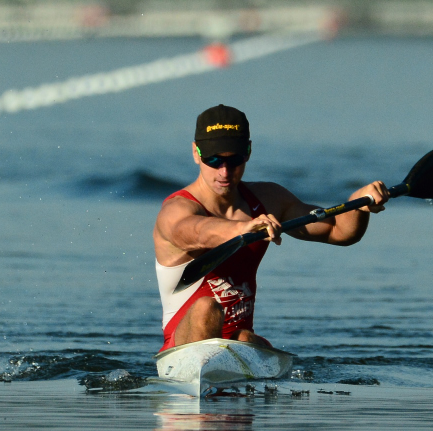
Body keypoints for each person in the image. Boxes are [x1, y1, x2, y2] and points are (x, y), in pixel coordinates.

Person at [153, 104, 389, 352]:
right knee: (206, 307)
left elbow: (338, 231)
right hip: (183, 346)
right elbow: (197, 232)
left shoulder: (268, 199)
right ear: (196, 153)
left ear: (248, 152)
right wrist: (243, 228)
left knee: (245, 338)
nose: (224, 171)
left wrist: (359, 203)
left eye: (234, 160)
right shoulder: (176, 210)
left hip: (241, 345)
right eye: (214, 159)